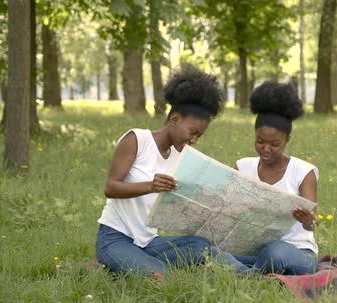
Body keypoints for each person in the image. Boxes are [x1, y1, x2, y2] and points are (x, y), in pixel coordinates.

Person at [96, 66, 249, 276]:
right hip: (114, 238)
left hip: (150, 242)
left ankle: (254, 277)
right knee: (161, 276)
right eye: (192, 132)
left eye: (199, 136)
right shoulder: (137, 140)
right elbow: (110, 188)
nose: (194, 141)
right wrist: (151, 186)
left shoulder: (180, 158)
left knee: (202, 246)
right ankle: (119, 262)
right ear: (175, 119)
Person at [234, 81, 320, 275]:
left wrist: (308, 220)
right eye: (260, 141)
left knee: (276, 252)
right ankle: (255, 271)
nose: (266, 149)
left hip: (296, 252)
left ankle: (246, 275)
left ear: (286, 140)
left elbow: (313, 223)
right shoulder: (242, 166)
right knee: (206, 249)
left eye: (274, 144)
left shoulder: (303, 171)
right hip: (252, 250)